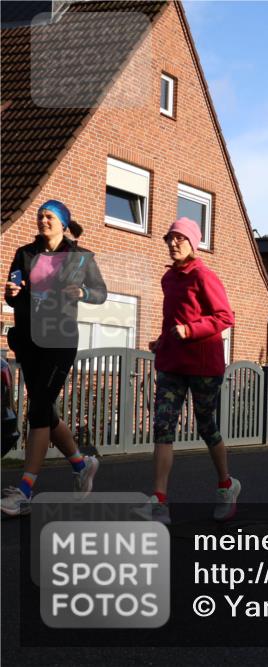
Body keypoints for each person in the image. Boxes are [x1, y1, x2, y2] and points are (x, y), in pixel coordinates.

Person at [2, 200, 106, 516]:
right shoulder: (25, 253)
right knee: (45, 409)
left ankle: (24, 491)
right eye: (40, 215)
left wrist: (82, 294)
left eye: (49, 216)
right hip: (29, 340)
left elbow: (100, 293)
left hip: (59, 341)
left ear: (63, 223)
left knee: (38, 409)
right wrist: (12, 292)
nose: (43, 220)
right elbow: (11, 291)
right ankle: (81, 464)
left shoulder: (79, 258)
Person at [133, 218, 238, 524]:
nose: (173, 243)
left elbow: (224, 317)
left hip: (203, 365)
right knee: (163, 427)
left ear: (194, 243)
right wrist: (162, 340)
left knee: (207, 427)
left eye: (180, 238)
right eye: (170, 238)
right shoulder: (169, 279)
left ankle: (226, 486)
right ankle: (159, 501)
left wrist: (190, 331)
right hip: (171, 363)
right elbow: (173, 321)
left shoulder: (204, 276)